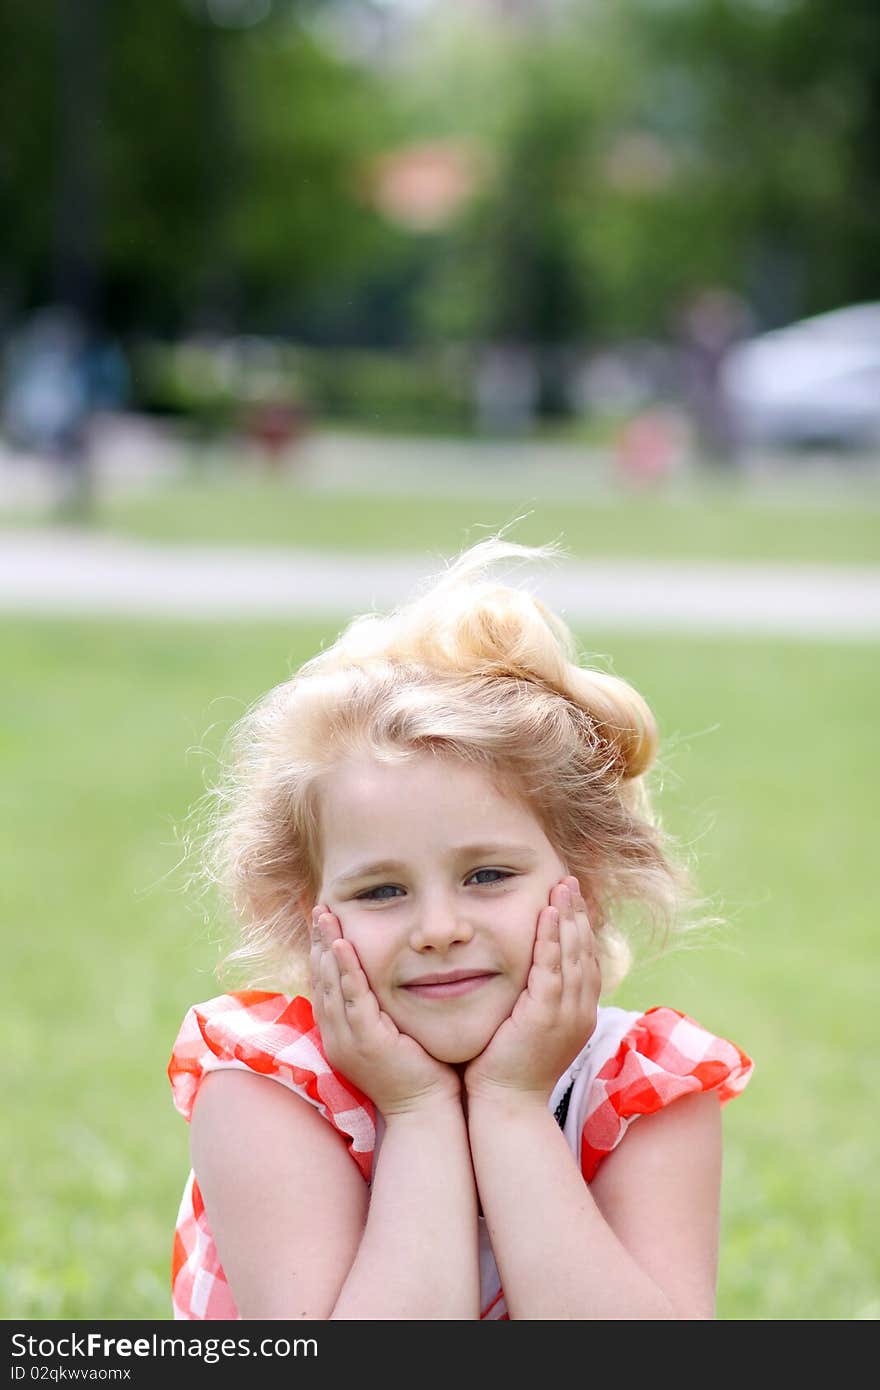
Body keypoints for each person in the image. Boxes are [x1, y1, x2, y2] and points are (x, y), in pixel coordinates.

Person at [167, 536, 753, 1320]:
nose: (438, 928)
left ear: (590, 875)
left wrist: (512, 1106)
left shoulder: (639, 1089)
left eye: (488, 876)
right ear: (304, 911)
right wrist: (415, 1111)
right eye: (380, 891)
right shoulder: (268, 1086)